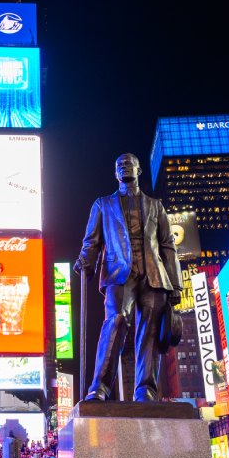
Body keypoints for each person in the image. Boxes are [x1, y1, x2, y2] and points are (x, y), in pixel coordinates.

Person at [75, 153, 182, 401]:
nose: (124, 166)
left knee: (150, 330)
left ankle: (146, 389)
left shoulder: (155, 205)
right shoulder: (103, 204)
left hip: (153, 274)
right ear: (115, 173)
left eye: (128, 162)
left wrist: (175, 284)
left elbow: (167, 245)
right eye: (119, 164)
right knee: (116, 321)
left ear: (139, 169)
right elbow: (92, 241)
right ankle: (99, 387)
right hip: (118, 273)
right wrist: (86, 262)